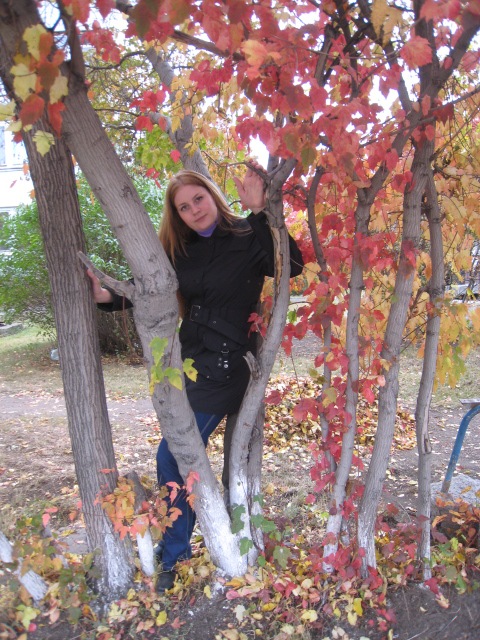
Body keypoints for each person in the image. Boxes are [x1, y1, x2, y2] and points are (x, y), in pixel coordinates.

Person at [88, 164, 304, 592]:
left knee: (173, 455)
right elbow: (147, 286)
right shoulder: (179, 250)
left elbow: (291, 265)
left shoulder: (246, 234)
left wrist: (262, 211)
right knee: (176, 456)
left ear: (212, 195)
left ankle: (176, 553)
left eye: (198, 199)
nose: (194, 210)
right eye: (184, 207)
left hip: (227, 367)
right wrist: (107, 296)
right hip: (187, 364)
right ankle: (184, 544)